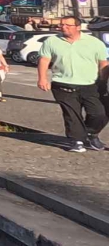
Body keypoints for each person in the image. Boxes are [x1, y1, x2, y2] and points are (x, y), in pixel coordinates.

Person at [38, 15, 109, 152]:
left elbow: (103, 63)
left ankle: (90, 133)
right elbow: (44, 61)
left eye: (67, 25)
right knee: (72, 113)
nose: (63, 27)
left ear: (78, 27)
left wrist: (103, 80)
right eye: (62, 25)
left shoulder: (94, 42)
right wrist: (42, 78)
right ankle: (76, 140)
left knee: (100, 113)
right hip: (62, 83)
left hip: (90, 84)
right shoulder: (51, 41)